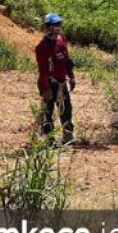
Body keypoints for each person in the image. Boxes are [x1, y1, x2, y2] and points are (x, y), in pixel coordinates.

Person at [35, 13, 76, 145]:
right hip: (49, 82)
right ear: (48, 27)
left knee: (66, 109)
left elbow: (66, 60)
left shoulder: (62, 40)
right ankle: (49, 139)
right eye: (54, 25)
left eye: (59, 24)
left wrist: (71, 77)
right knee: (48, 110)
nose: (57, 27)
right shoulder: (42, 47)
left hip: (61, 82)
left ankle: (67, 136)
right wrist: (46, 88)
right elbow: (42, 70)